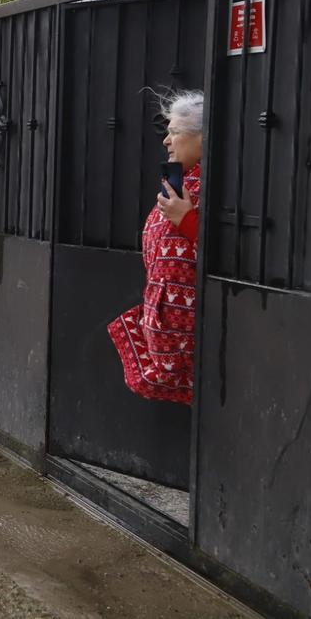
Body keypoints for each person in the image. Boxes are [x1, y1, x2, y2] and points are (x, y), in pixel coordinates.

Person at [107, 91, 204, 404]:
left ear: (204, 138)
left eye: (174, 132)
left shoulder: (216, 188)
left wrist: (187, 220)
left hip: (193, 331)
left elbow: (231, 256)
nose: (166, 141)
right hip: (166, 319)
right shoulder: (182, 185)